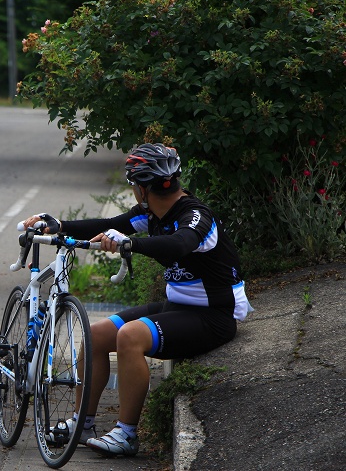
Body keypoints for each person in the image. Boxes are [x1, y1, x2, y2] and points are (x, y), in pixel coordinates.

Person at [21, 143, 253, 457]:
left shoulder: (196, 215)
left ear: (142, 188)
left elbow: (179, 244)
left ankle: (127, 434)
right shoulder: (151, 213)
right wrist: (59, 226)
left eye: (133, 184)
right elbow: (107, 226)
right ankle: (83, 423)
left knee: (130, 337)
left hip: (215, 316)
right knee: (97, 335)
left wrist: (131, 244)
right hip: (179, 307)